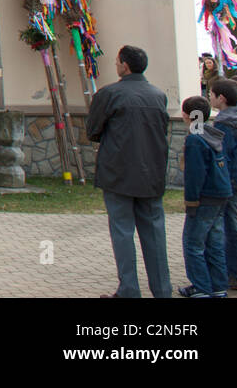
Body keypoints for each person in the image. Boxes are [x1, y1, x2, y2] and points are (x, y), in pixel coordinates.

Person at [86, 44, 172, 298]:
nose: (115, 65)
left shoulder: (109, 93)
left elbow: (93, 131)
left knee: (122, 231)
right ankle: (162, 289)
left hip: (118, 172)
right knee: (154, 232)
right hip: (152, 173)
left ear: (124, 65)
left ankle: (129, 290)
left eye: (116, 62)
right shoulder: (158, 95)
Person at [178, 94, 232, 297]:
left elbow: (195, 174)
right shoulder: (212, 134)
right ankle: (218, 286)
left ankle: (201, 287)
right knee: (215, 243)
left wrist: (191, 201)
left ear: (187, 115)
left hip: (205, 196)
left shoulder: (195, 139)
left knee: (193, 244)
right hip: (221, 193)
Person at [210, 78, 237, 290]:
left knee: (230, 225)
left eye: (212, 94)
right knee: (231, 223)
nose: (210, 98)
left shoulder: (224, 124)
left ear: (221, 98)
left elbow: (221, 155)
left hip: (230, 180)